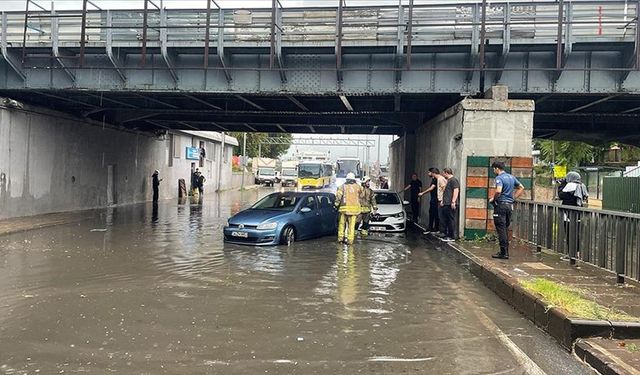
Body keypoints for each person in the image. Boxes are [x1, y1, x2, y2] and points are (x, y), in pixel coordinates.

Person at [489, 162, 524, 259]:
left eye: (494, 169)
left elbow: (498, 191)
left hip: (501, 206)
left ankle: (504, 252)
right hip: (509, 206)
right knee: (505, 227)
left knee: (501, 229)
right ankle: (505, 251)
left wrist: (493, 199)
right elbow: (521, 187)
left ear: (497, 168)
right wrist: (513, 198)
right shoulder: (511, 177)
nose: (493, 171)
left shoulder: (499, 178)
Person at [557, 171, 588, 261]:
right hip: (578, 213)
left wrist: (562, 185)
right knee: (576, 234)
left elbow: (561, 195)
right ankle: (577, 253)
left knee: (569, 234)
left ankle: (570, 254)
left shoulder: (570, 185)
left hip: (569, 214)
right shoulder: (582, 185)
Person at [335, 172, 363, 245]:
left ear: (347, 179)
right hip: (354, 211)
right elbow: (362, 196)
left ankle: (340, 239)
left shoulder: (342, 186)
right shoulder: (358, 187)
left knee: (341, 225)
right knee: (351, 226)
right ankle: (350, 241)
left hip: (343, 210)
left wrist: (336, 205)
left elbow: (338, 196)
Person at [418, 168, 440, 233]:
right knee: (432, 213)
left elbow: (432, 188)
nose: (428, 174)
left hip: (435, 199)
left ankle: (434, 228)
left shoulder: (435, 179)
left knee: (434, 213)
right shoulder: (434, 179)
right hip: (433, 198)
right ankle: (432, 227)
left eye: (429, 172)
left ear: (432, 173)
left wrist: (423, 193)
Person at [441, 168, 460, 242]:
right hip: (446, 203)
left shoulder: (453, 180)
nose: (443, 175)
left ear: (446, 173)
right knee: (447, 220)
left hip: (450, 204)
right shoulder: (449, 181)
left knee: (451, 220)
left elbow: (456, 190)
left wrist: (453, 201)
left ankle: (452, 236)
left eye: (443, 173)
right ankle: (448, 235)